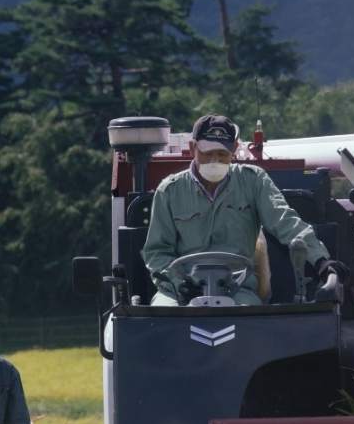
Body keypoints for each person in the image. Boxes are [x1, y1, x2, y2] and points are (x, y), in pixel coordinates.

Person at [143, 114, 339, 305]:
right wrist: (179, 284)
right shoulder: (169, 191)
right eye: (207, 153)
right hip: (181, 292)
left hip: (238, 290)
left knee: (249, 321)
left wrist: (321, 260)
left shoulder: (254, 181)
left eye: (222, 154)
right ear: (193, 147)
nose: (214, 161)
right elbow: (157, 252)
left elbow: (285, 221)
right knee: (162, 314)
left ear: (234, 150)